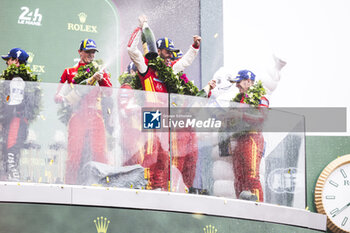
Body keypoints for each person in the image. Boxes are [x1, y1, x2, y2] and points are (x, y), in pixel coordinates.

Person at [56, 39, 112, 184]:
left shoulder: (100, 70)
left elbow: (109, 92)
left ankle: (102, 185)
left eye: (93, 52)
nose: (91, 55)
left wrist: (101, 80)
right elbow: (58, 97)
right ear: (80, 52)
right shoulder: (69, 72)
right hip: (77, 115)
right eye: (87, 51)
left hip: (96, 115)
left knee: (100, 153)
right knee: (74, 153)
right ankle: (69, 185)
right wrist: (67, 97)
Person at [127, 15, 201, 93]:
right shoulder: (146, 66)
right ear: (158, 51)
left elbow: (185, 62)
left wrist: (195, 47)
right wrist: (140, 28)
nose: (171, 55)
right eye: (168, 52)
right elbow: (131, 50)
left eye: (172, 52)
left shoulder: (170, 69)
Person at [1, 48, 30, 181]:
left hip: (15, 121)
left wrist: (1, 121)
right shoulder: (20, 79)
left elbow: (12, 105)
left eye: (9, 59)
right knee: (9, 153)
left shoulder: (17, 80)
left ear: (16, 61)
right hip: (16, 121)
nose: (7, 63)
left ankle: (12, 179)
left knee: (11, 152)